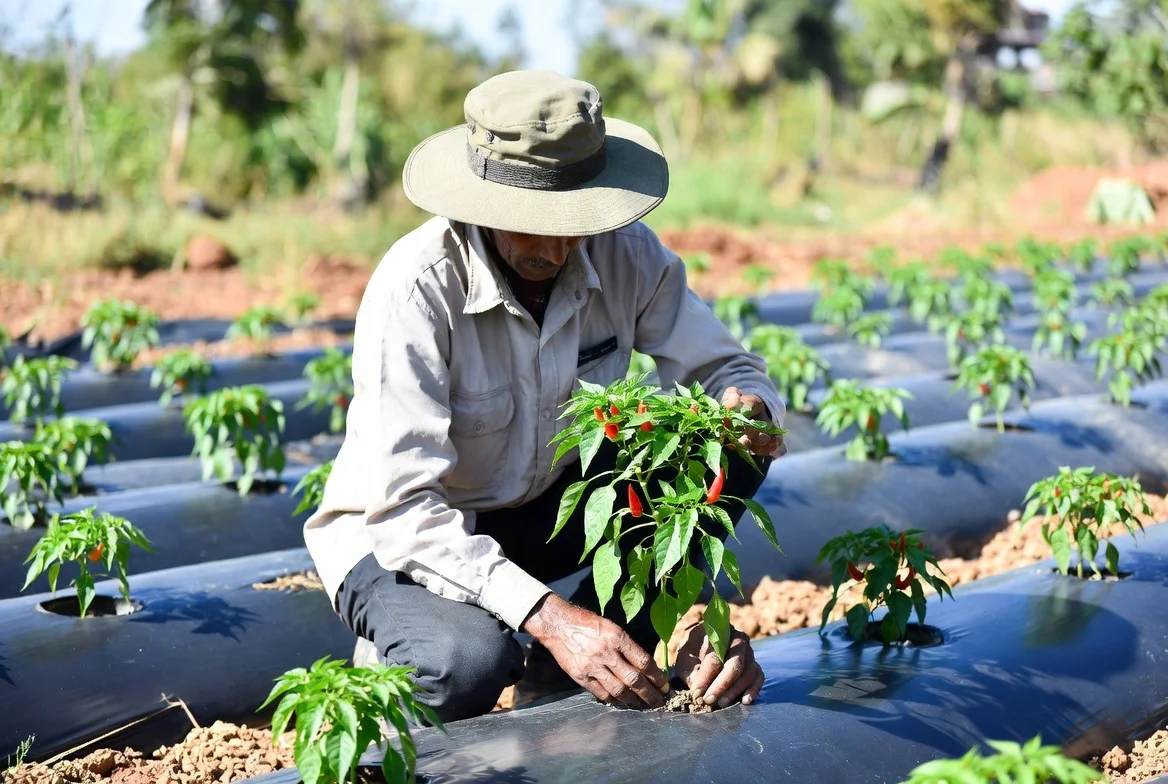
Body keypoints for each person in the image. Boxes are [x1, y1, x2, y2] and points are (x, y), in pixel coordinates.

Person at [303, 69, 786, 723]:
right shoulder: (417, 289)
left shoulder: (626, 256)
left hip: (539, 506)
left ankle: (575, 678)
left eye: (575, 220)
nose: (558, 246)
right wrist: (555, 621)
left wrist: (746, 408)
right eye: (534, 223)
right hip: (403, 532)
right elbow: (407, 512)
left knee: (728, 454)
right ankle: (401, 657)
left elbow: (728, 367)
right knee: (463, 662)